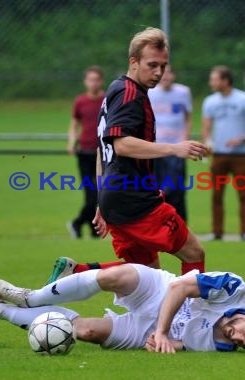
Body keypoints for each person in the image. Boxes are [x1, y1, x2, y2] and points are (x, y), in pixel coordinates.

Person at [0, 263, 245, 354]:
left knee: (84, 331)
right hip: (160, 292)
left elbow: (186, 345)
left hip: (151, 330)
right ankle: (30, 297)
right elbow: (180, 287)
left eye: (242, 343)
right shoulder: (234, 289)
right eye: (244, 332)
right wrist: (163, 330)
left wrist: (161, 342)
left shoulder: (222, 348)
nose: (235, 336)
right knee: (115, 275)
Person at [92, 27, 208, 275]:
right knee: (194, 253)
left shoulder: (115, 88)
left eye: (163, 66)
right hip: (135, 199)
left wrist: (103, 197)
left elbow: (103, 149)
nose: (158, 73)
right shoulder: (130, 95)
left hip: (115, 196)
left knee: (146, 276)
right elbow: (121, 145)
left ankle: (77, 273)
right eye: (152, 65)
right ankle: (192, 314)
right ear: (133, 62)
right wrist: (174, 148)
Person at [202, 66, 245, 241]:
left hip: (239, 155)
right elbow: (206, 127)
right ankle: (217, 232)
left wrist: (242, 138)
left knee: (243, 194)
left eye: (214, 79)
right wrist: (208, 142)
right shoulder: (210, 101)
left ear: (225, 81)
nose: (211, 83)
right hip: (219, 155)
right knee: (216, 194)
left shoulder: (244, 99)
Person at [149, 65, 193, 221]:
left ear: (174, 75)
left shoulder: (183, 92)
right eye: (163, 73)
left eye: (169, 73)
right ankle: (160, 222)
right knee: (158, 188)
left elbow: (188, 118)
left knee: (177, 188)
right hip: (156, 148)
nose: (165, 76)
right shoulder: (151, 92)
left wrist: (185, 139)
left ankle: (181, 224)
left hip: (177, 148)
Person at [66, 66, 105, 239]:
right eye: (90, 80)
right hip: (85, 152)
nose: (93, 83)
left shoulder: (107, 100)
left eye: (96, 79)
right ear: (85, 82)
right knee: (91, 194)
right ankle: (82, 224)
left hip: (103, 152)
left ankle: (83, 224)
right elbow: (74, 124)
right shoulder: (80, 101)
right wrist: (71, 142)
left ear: (101, 81)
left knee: (101, 193)